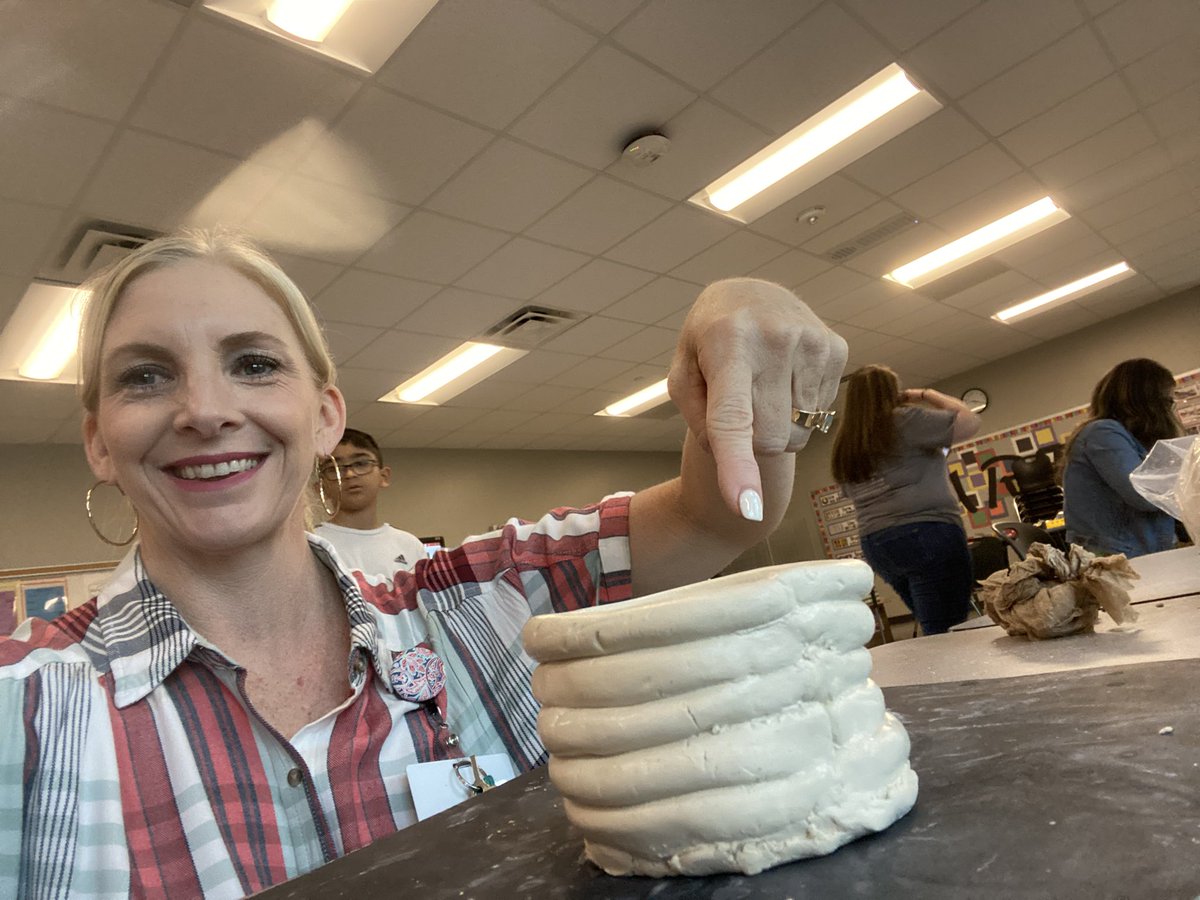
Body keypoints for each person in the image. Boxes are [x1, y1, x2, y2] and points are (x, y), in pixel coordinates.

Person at [0, 229, 847, 897]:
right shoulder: (23, 712)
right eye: (146, 377)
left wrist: (755, 367)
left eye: (253, 364)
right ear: (97, 442)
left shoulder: (479, 604)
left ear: (327, 414)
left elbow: (716, 516)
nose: (206, 410)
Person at [830, 365, 981, 635]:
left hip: (878, 543)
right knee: (948, 628)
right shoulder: (902, 420)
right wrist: (924, 394)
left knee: (935, 623)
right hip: (926, 532)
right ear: (893, 393)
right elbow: (969, 421)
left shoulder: (846, 443)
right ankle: (953, 676)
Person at [1061, 358, 1183, 557]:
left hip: (1136, 552)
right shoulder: (1102, 432)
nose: (1168, 409)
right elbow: (1143, 496)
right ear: (1148, 401)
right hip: (1119, 558)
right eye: (1167, 401)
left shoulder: (1123, 436)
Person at [314, 427, 428, 576]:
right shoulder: (313, 546)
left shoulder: (410, 545)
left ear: (384, 477)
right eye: (335, 468)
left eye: (361, 464)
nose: (349, 474)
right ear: (320, 487)